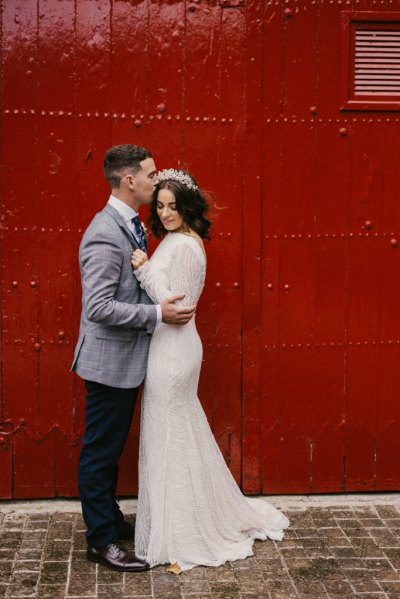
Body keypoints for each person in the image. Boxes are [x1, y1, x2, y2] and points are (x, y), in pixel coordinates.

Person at [130, 168, 290, 572]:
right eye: (161, 206)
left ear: (188, 207)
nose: (166, 213)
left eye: (174, 206)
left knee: (170, 432)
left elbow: (179, 309)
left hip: (174, 350)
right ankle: (178, 518)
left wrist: (144, 271)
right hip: (167, 348)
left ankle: (182, 531)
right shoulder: (174, 240)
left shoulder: (184, 246)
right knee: (175, 432)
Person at [71, 146, 196, 573]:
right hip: (109, 362)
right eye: (150, 173)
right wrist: (158, 314)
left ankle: (109, 518)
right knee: (101, 452)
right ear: (130, 181)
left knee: (110, 447)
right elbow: (100, 307)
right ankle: (100, 540)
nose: (155, 178)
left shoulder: (132, 224)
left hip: (129, 360)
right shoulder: (105, 232)